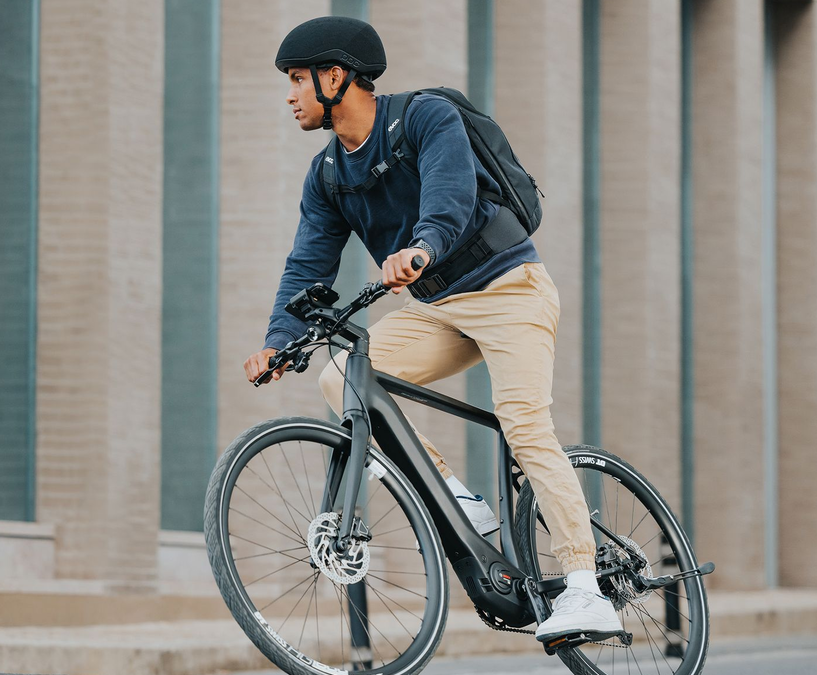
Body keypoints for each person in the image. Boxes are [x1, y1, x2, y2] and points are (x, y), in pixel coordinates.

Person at [242, 15, 622, 642]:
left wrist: (421, 247)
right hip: (439, 308)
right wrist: (278, 344)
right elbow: (308, 262)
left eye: (297, 80)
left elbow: (450, 196)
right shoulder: (329, 175)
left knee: (525, 422)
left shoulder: (424, 117)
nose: (290, 95)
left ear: (335, 77)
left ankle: (585, 586)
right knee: (344, 379)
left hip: (509, 290)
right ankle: (453, 495)